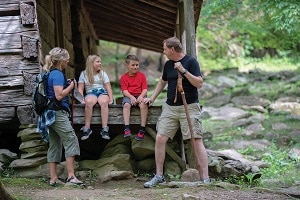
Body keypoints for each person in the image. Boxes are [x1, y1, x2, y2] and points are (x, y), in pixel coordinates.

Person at [143, 37, 210, 188]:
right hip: (170, 107)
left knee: (196, 140)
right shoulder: (167, 64)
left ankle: (205, 178)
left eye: (165, 49)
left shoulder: (191, 62)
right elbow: (162, 81)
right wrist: (152, 98)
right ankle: (159, 175)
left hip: (190, 106)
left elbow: (199, 83)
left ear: (172, 49)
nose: (164, 51)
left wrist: (183, 71)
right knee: (160, 137)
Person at [42, 47, 83, 186]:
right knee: (71, 139)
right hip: (57, 113)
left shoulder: (50, 73)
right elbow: (59, 95)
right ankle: (71, 176)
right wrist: (71, 86)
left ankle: (53, 178)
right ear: (62, 61)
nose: (68, 61)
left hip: (49, 113)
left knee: (54, 144)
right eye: (67, 59)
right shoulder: (58, 74)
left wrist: (67, 84)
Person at [78, 55, 114, 140]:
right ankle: (87, 128)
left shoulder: (103, 73)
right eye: (98, 62)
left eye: (100, 61)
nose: (100, 63)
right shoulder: (83, 74)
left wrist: (111, 98)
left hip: (102, 92)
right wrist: (81, 99)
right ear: (91, 63)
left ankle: (104, 128)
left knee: (104, 101)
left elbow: (108, 87)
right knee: (89, 102)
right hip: (91, 93)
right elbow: (80, 88)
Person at [120, 55, 148, 141]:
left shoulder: (142, 76)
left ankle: (142, 129)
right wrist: (131, 97)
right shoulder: (123, 78)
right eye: (133, 65)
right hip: (129, 96)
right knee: (126, 105)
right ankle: (127, 128)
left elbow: (145, 89)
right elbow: (124, 91)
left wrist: (141, 96)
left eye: (137, 65)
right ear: (127, 65)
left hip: (140, 95)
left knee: (143, 105)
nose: (135, 67)